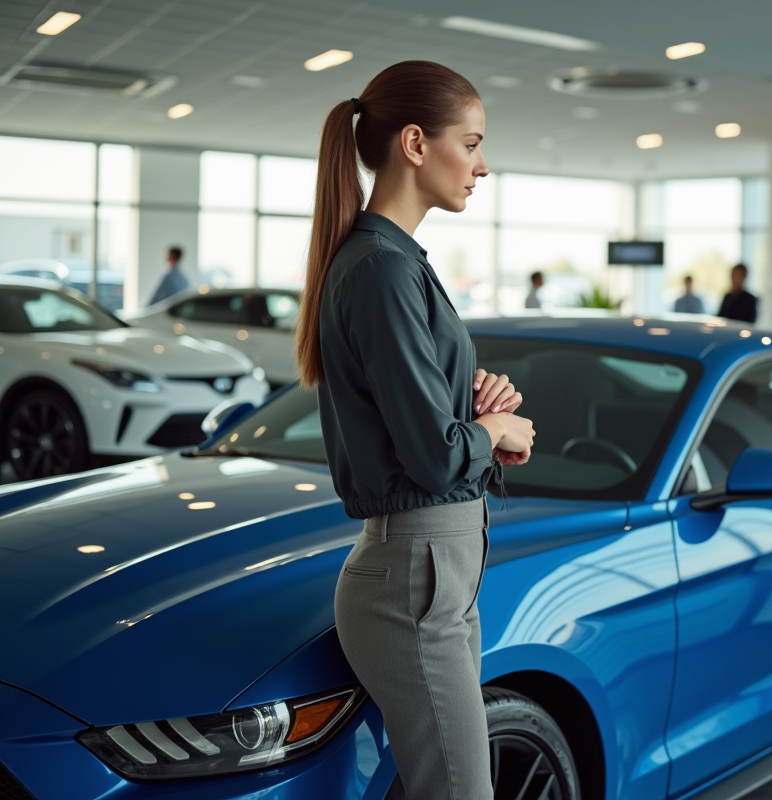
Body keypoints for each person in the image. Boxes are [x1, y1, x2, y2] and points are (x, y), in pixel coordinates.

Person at [293, 61, 536, 800]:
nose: (483, 165)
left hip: (435, 569)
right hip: (416, 572)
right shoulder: (381, 270)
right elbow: (432, 458)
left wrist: (480, 415)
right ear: (415, 143)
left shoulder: (397, 264)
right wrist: (488, 428)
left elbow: (427, 432)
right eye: (472, 142)